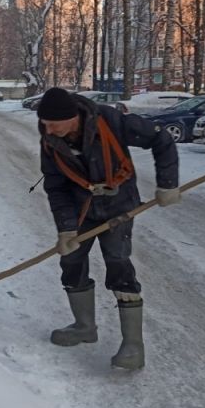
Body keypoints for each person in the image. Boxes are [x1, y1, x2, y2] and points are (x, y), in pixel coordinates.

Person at [37, 87, 180, 370]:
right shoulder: (50, 142)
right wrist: (65, 229)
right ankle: (84, 327)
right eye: (45, 124)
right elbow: (56, 186)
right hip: (82, 209)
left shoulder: (111, 121)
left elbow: (160, 138)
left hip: (120, 205)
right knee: (71, 261)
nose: (49, 130)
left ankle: (133, 347)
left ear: (72, 117)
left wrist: (168, 184)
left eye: (54, 124)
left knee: (118, 263)